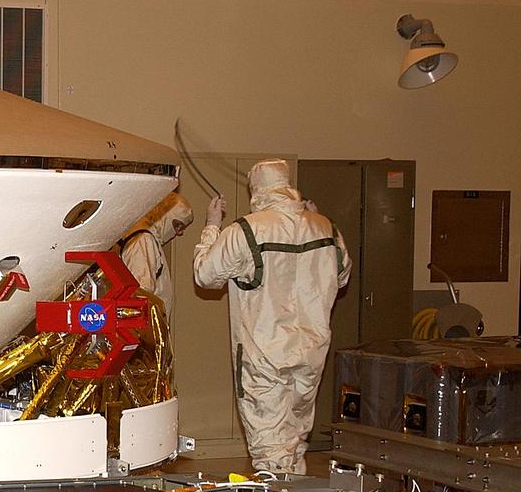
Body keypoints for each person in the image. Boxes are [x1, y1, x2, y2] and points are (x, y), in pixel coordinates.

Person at [192, 159, 351, 474]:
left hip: (263, 357)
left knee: (270, 450)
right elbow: (341, 275)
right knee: (295, 440)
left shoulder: (246, 230)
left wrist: (212, 227)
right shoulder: (326, 228)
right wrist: (315, 219)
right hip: (311, 353)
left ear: (256, 189)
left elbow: (205, 275)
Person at [118, 192, 193, 326]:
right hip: (146, 331)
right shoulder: (144, 241)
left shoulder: (147, 240)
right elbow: (141, 294)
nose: (178, 232)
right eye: (177, 225)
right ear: (163, 215)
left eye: (182, 228)